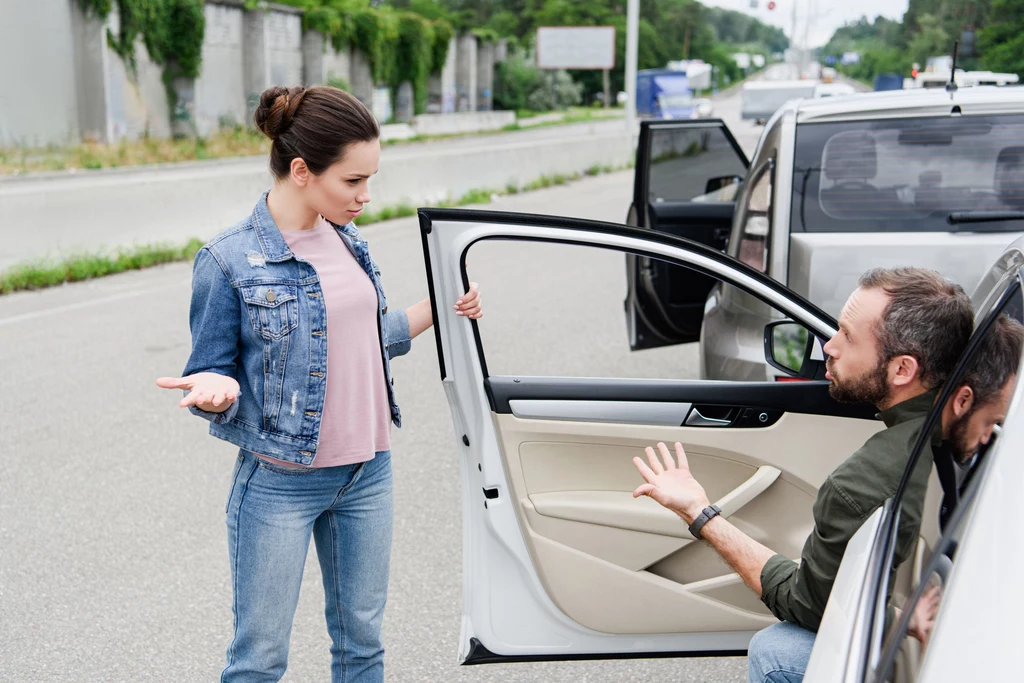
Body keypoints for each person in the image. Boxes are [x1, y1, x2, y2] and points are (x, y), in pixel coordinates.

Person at [155, 85, 482, 683]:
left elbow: (365, 335)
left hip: (367, 472)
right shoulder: (228, 260)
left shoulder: (346, 240)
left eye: (369, 179)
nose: (364, 196)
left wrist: (442, 306)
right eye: (353, 181)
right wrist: (215, 389)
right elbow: (211, 364)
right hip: (281, 482)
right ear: (302, 170)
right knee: (259, 660)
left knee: (362, 648)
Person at [631, 267, 975, 683]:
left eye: (847, 336)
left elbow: (810, 607)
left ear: (902, 369)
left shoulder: (862, 483)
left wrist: (699, 513)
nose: (829, 345)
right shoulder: (964, 424)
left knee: (776, 652)